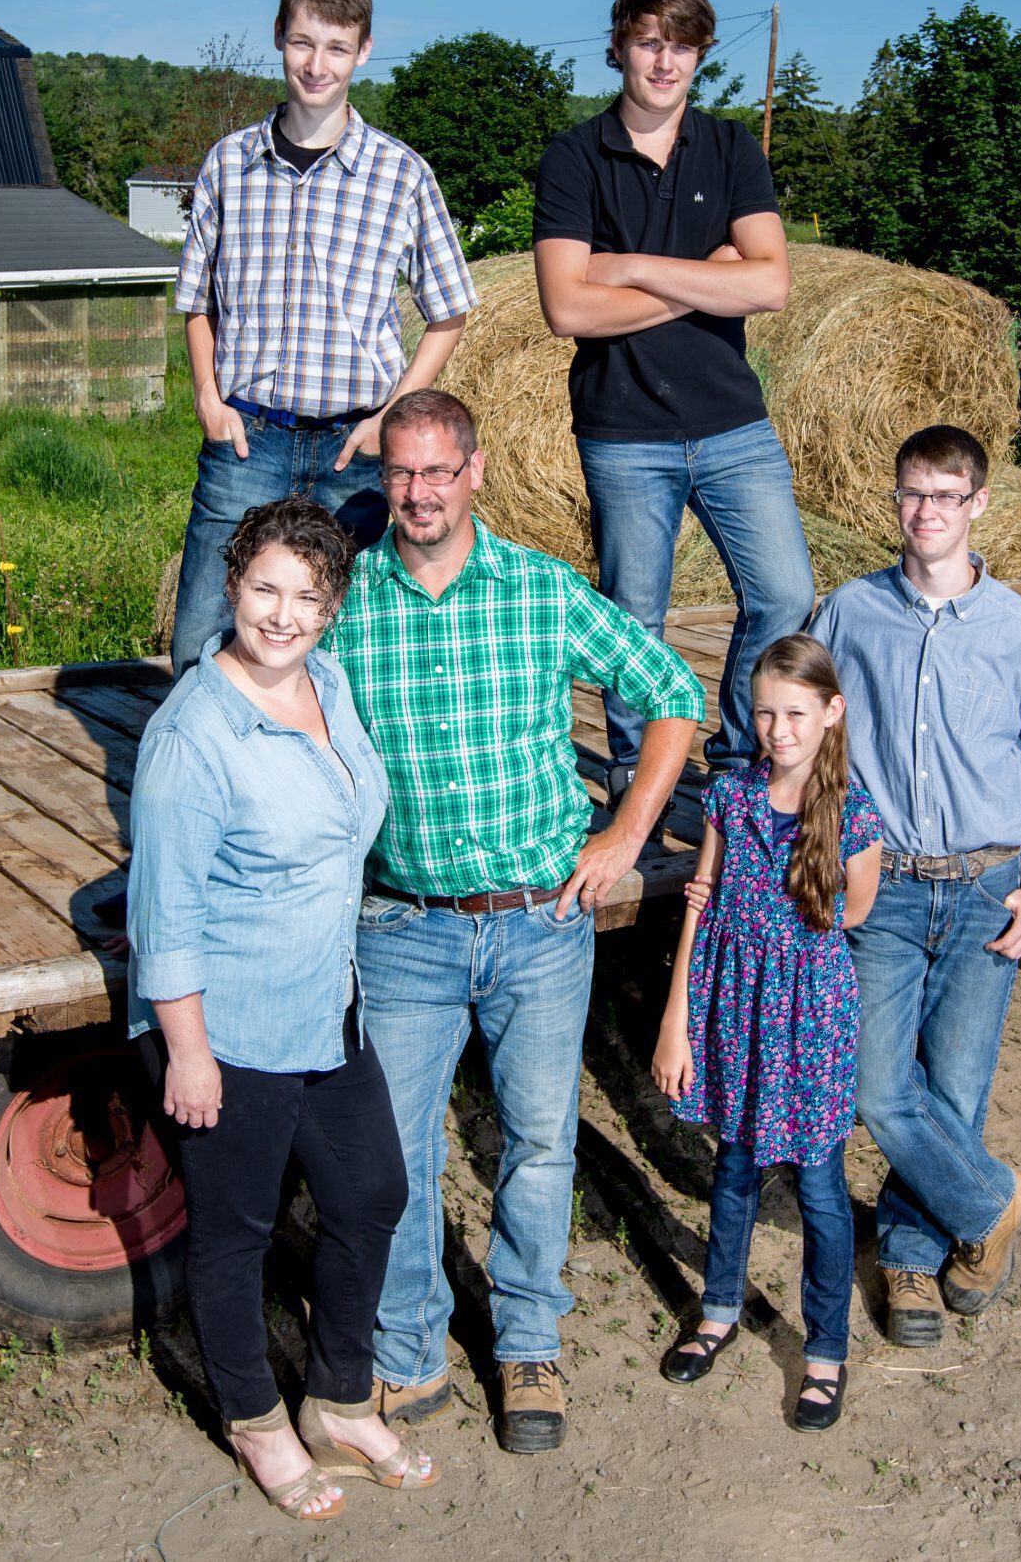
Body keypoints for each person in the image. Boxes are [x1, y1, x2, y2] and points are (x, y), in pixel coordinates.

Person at [320, 388, 706, 1454]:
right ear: (383, 478)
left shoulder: (539, 591)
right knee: (394, 1157)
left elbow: (671, 690)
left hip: (540, 924)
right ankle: (408, 1349)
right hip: (401, 927)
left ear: (476, 472)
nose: (420, 493)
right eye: (401, 473)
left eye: (440, 471)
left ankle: (528, 1343)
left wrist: (627, 831)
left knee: (537, 1145)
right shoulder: (347, 604)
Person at [126, 498, 434, 1520]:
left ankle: (339, 1401)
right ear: (229, 586)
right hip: (231, 1029)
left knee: (370, 1199)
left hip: (326, 1012)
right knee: (235, 1236)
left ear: (331, 608)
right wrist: (189, 1052)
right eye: (264, 588)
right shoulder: (193, 735)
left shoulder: (328, 684)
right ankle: (256, 1421)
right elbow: (163, 913)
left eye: (306, 595)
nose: (282, 612)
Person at [808, 425, 1021, 1348]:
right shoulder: (849, 612)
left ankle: (915, 1261)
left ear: (978, 505)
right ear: (894, 502)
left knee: (957, 1087)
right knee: (876, 1087)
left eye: (945, 495)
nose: (925, 512)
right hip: (882, 889)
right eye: (911, 494)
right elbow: (814, 735)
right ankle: (996, 1201)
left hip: (983, 886)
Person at [532, 0, 813, 805]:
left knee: (786, 593)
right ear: (619, 44)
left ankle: (731, 758)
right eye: (650, 40)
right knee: (633, 622)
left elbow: (770, 285)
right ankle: (632, 773)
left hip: (732, 421)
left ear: (700, 54)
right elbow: (565, 306)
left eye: (682, 44)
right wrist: (705, 274)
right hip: (623, 430)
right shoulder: (576, 156)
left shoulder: (731, 149)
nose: (665, 60)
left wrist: (634, 269)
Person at [169, 0, 477, 674]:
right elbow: (196, 302)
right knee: (203, 633)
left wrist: (390, 418)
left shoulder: (401, 174)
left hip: (356, 449)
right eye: (304, 42)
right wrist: (208, 399)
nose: (318, 64)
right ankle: (201, 783)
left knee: (352, 640)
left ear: (363, 50)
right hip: (250, 439)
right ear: (280, 36)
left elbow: (451, 311)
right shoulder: (228, 164)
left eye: (337, 47)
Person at [652, 634, 884, 1432]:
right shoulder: (731, 794)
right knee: (736, 1168)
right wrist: (677, 1015)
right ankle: (717, 1308)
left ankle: (824, 1350)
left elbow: (849, 913)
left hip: (809, 1019)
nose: (778, 729)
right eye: (764, 712)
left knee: (820, 1190)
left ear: (831, 712)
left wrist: (784, 955)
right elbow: (701, 899)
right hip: (733, 1008)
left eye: (795, 712)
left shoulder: (852, 814)